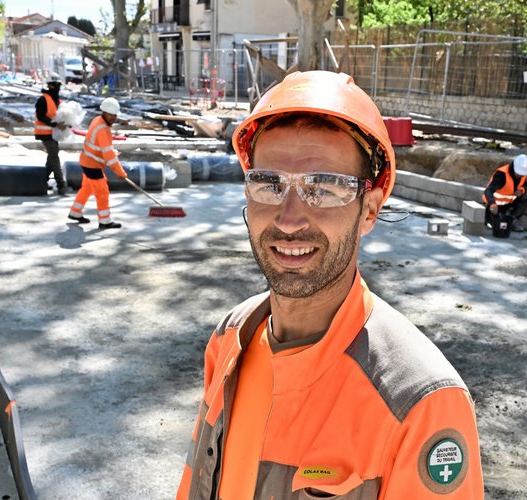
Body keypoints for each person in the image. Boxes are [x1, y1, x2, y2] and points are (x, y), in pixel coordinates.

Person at [177, 71, 483, 499]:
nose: (289, 219)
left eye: (324, 187)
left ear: (370, 210)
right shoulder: (230, 337)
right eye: (269, 184)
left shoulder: (419, 402)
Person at [68, 98, 126, 229]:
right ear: (104, 112)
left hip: (87, 161)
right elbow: (109, 155)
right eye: (111, 115)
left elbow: (101, 148)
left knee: (87, 188)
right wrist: (120, 173)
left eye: (115, 115)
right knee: (102, 192)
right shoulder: (103, 129)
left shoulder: (98, 120)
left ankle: (75, 212)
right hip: (92, 165)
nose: (114, 118)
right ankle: (105, 221)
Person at [481, 154, 527, 238]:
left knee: (525, 197)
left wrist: (521, 190)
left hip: (508, 202)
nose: (519, 175)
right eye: (518, 173)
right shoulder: (501, 175)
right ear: (514, 166)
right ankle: (489, 218)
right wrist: (492, 204)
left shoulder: (522, 174)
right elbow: (488, 191)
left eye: (521, 174)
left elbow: (525, 185)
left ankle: (512, 220)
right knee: (497, 223)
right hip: (495, 205)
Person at [35, 76, 69, 195]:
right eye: (56, 85)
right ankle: (61, 185)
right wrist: (55, 124)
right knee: (54, 156)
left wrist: (67, 123)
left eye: (59, 86)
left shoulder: (57, 100)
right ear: (50, 86)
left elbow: (59, 116)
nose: (58, 88)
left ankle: (41, 181)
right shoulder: (43, 99)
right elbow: (40, 116)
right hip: (44, 133)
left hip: (53, 134)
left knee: (52, 157)